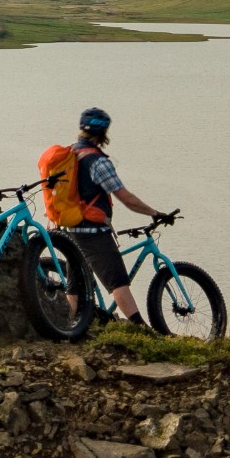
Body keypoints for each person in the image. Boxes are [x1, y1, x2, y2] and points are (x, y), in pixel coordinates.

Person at [59, 107, 175, 325]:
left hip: (72, 230)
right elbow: (126, 198)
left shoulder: (70, 155)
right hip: (94, 233)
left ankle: (63, 329)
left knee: (74, 287)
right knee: (118, 283)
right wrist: (155, 213)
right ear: (103, 133)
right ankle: (140, 330)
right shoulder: (97, 162)